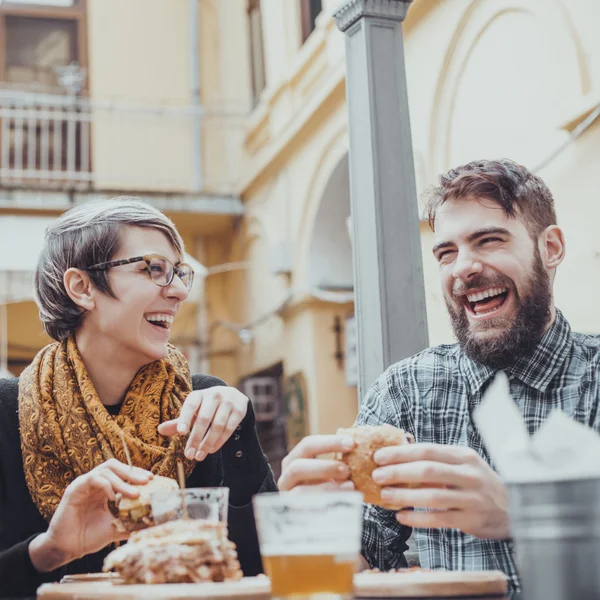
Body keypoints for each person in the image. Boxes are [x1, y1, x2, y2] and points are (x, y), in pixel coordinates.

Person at [278, 159, 600, 592]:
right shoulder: (406, 391)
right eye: (446, 252)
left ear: (552, 248)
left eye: (488, 240)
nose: (462, 268)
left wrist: (521, 514)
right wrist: (316, 524)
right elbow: (360, 569)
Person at [0, 198, 276, 597]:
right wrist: (48, 550)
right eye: (154, 269)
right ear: (82, 287)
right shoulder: (7, 413)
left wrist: (238, 439)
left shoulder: (202, 402)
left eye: (180, 273)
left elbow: (260, 569)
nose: (180, 291)